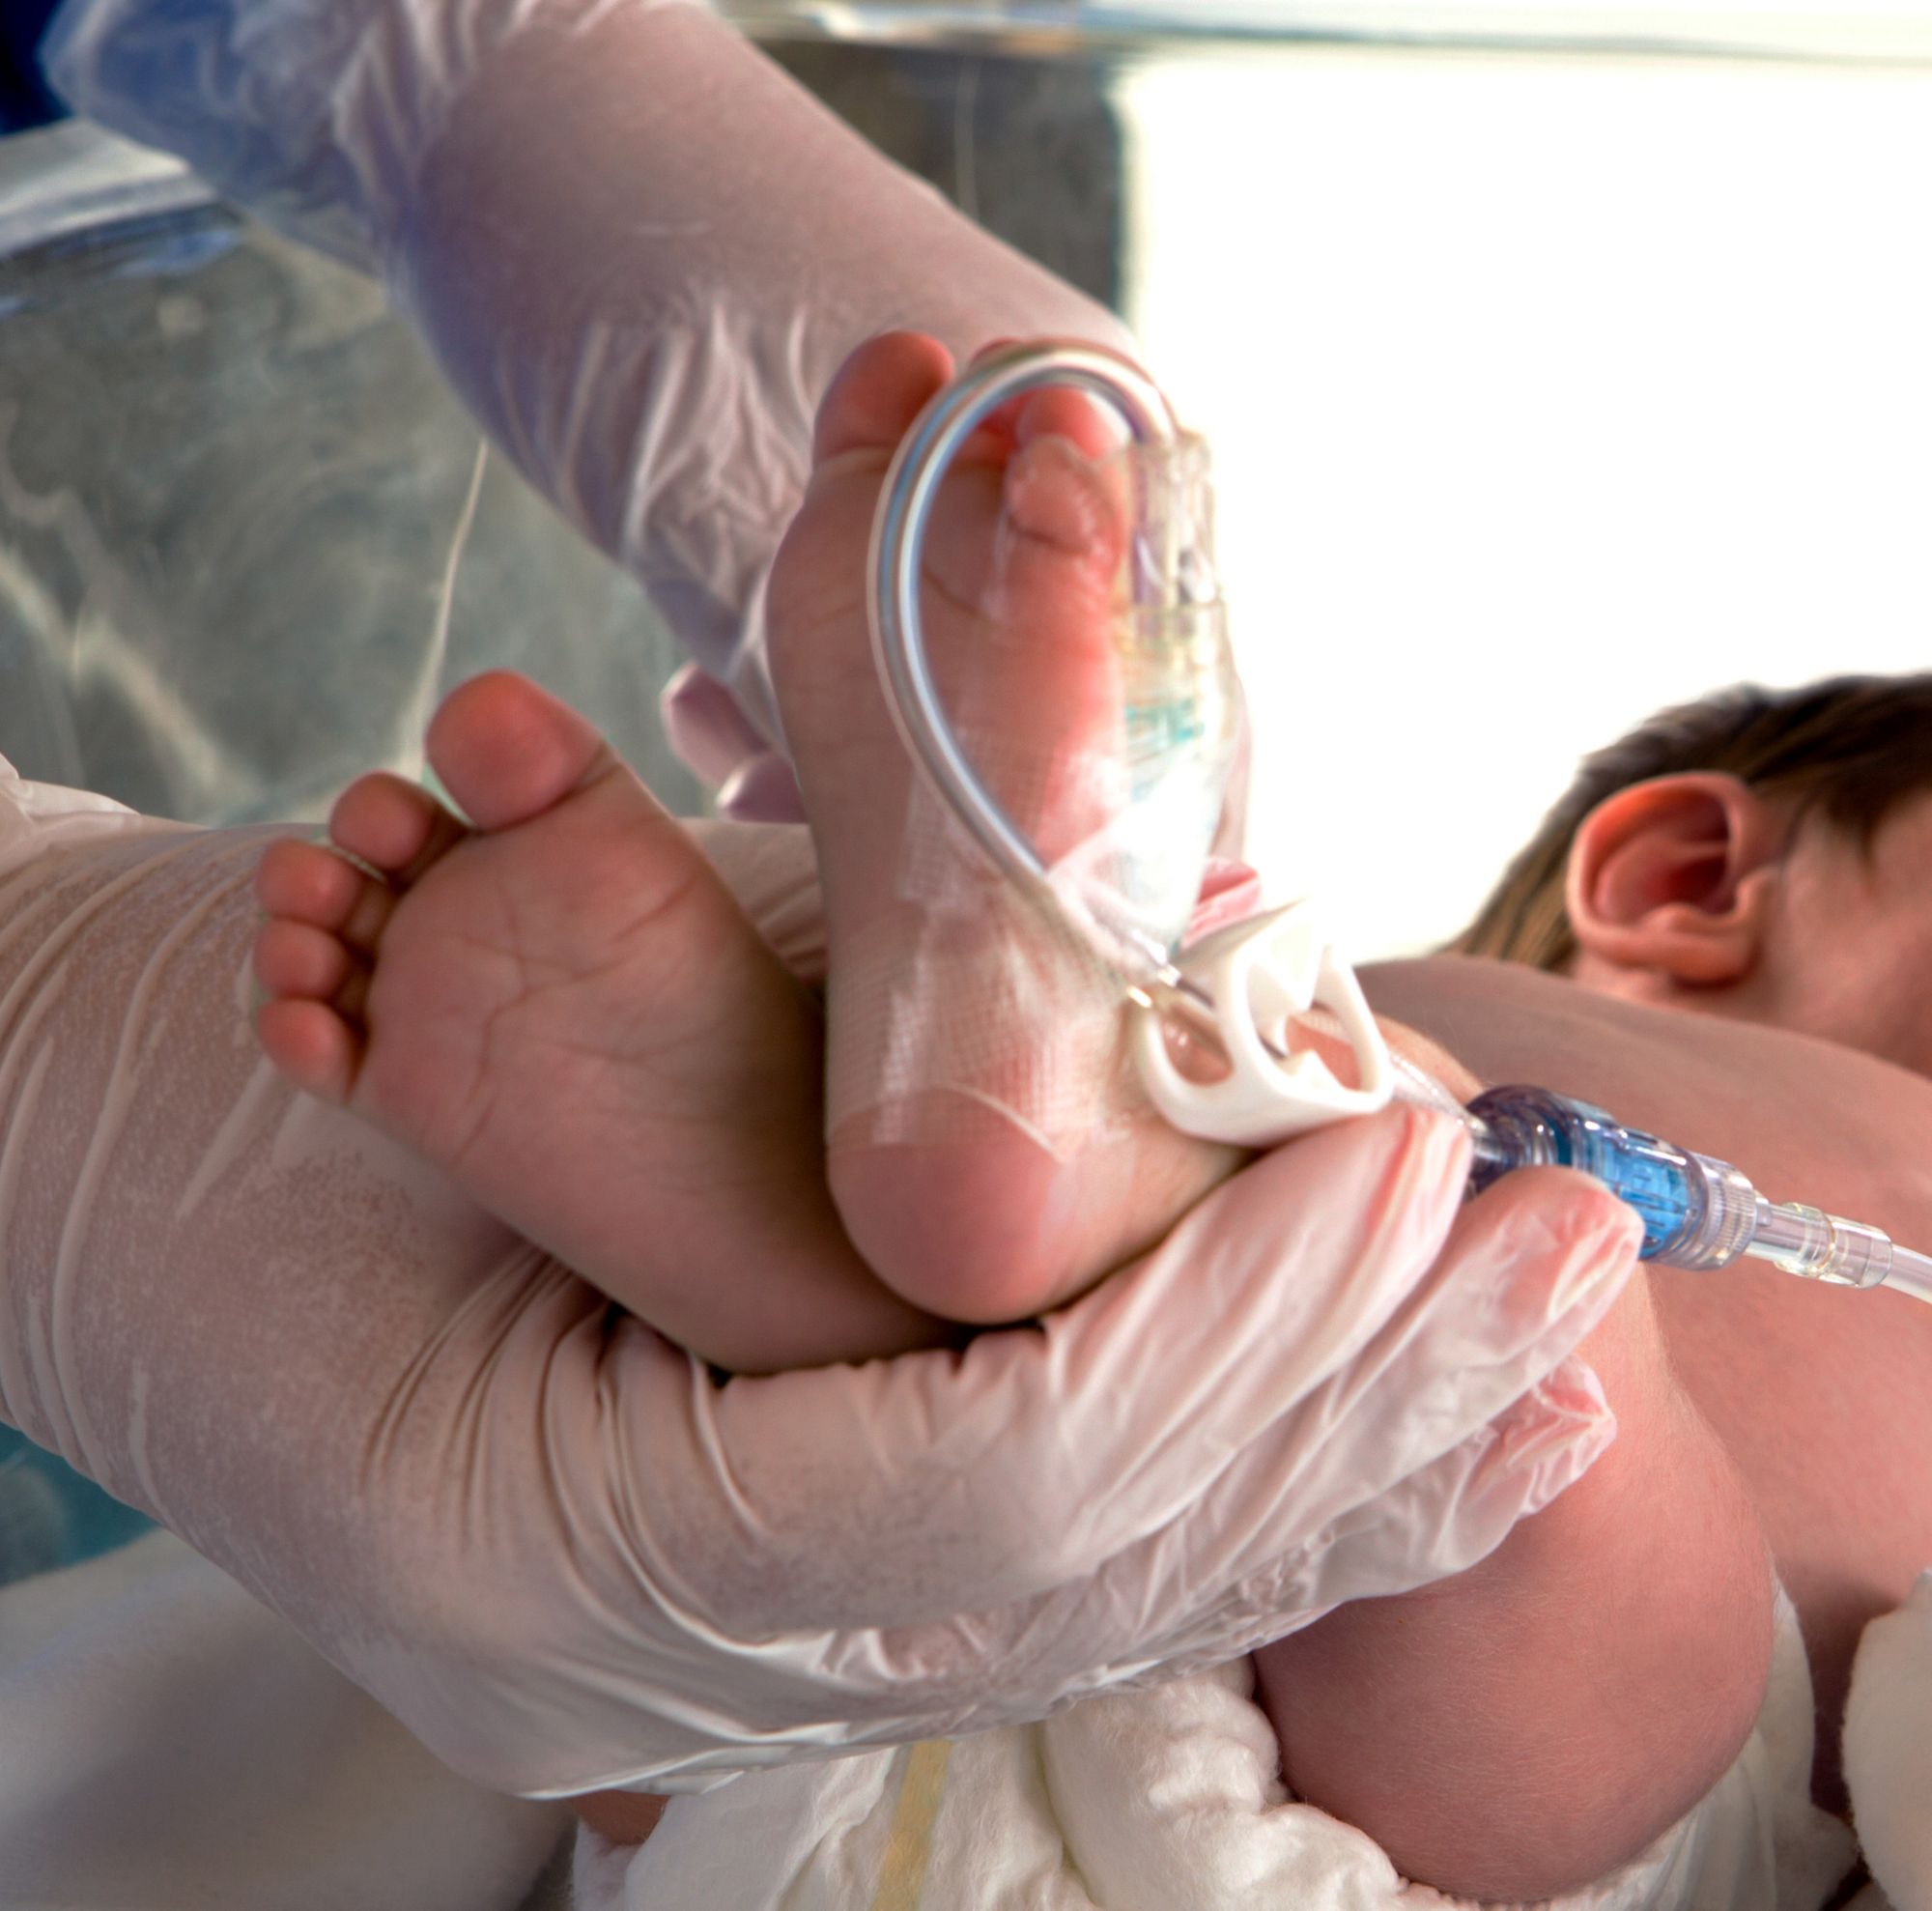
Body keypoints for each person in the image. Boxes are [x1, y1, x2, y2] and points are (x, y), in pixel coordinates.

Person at [252, 328, 1930, 1902]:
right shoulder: (1718, 1114)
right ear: (1687, 884)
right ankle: (888, 1193)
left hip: (1420, 1805)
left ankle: (878, 1164)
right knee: (1501, 1299)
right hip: (1005, 1675)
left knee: (1479, 1364)